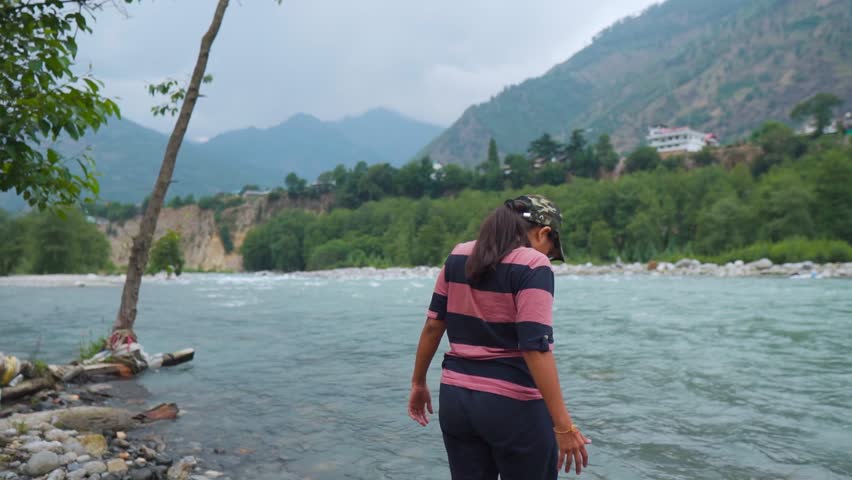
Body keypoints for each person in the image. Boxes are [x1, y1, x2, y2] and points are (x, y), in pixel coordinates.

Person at [408, 194, 590, 479]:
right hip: (513, 408)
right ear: (544, 233)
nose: (548, 258)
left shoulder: (458, 255)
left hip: (456, 402)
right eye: (551, 249)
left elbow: (433, 325)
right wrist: (564, 426)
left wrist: (418, 382)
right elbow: (535, 347)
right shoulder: (533, 264)